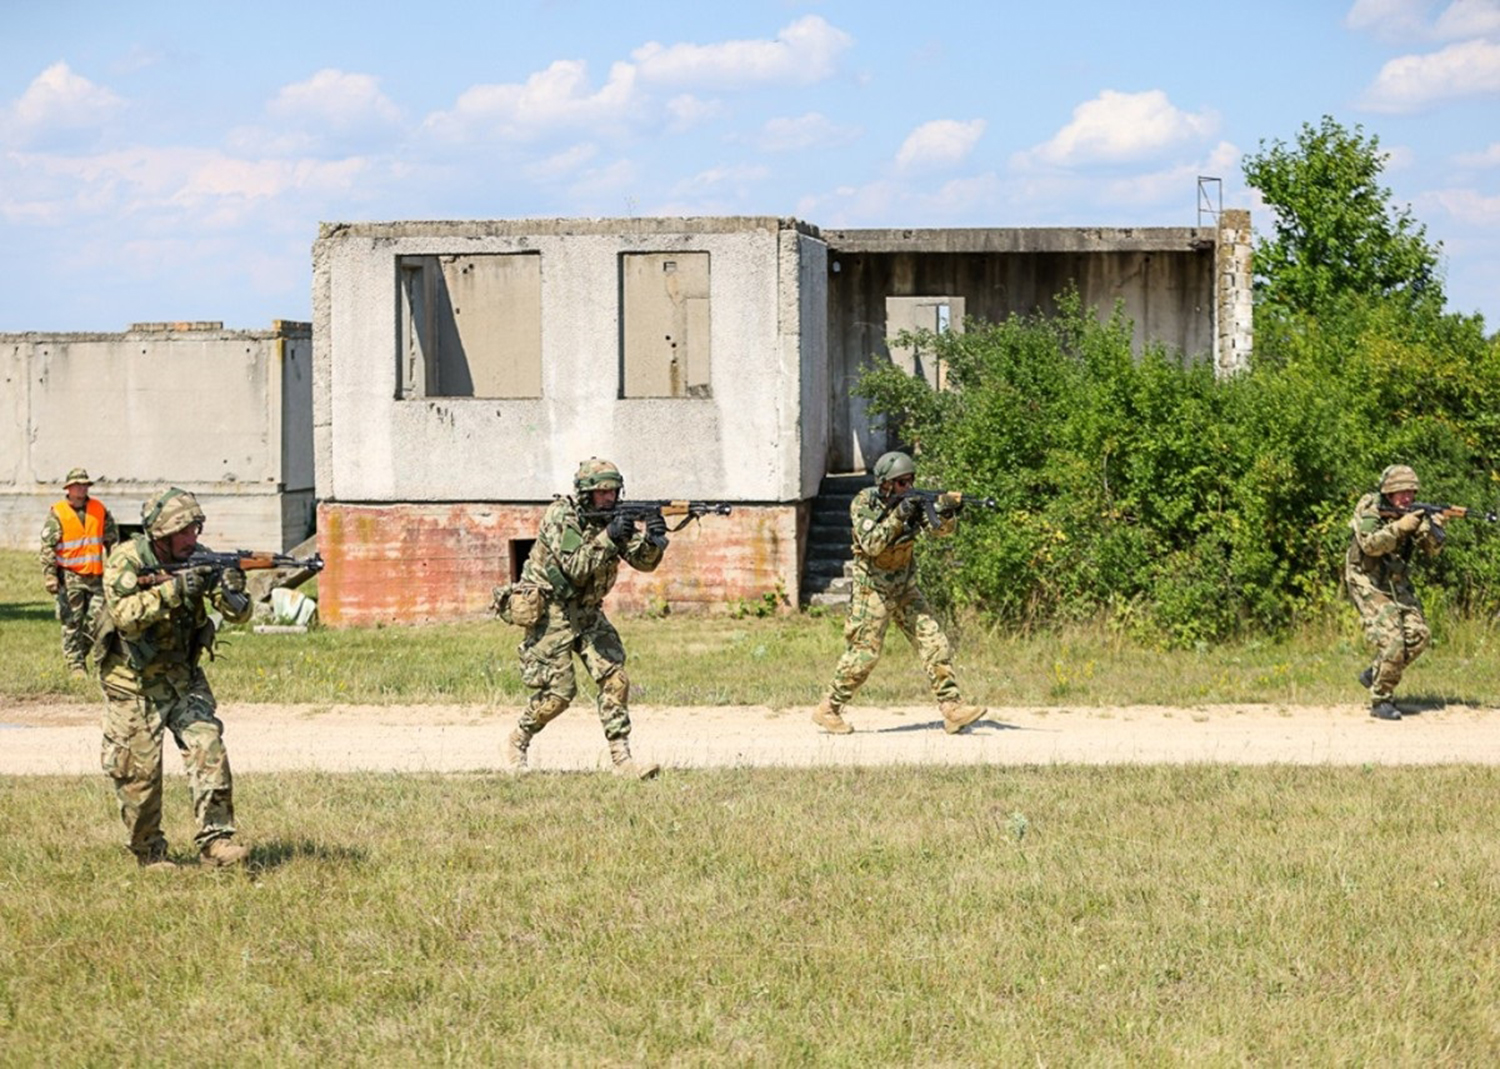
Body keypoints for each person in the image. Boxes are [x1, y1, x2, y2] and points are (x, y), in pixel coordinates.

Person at [95, 488, 254, 868]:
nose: (192, 538)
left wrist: (233, 591)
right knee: (140, 778)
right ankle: (148, 853)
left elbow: (238, 615)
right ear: (161, 535)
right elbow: (125, 616)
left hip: (183, 677)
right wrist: (174, 590)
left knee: (209, 748)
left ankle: (217, 843)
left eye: (195, 528)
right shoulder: (126, 561)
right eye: (183, 532)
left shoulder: (198, 558)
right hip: (133, 684)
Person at [504, 458, 666, 779]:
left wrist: (654, 540)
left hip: (588, 610)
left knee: (614, 678)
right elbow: (575, 567)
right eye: (601, 492)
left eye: (613, 491)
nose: (608, 498)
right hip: (551, 612)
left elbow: (643, 563)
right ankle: (517, 741)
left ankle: (623, 760)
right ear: (585, 494)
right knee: (559, 695)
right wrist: (609, 536)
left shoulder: (614, 519)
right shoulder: (562, 516)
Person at [812, 451, 986, 735]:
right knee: (864, 655)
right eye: (901, 482)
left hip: (905, 587)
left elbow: (938, 530)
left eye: (910, 481)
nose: (908, 487)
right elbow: (871, 544)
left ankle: (952, 708)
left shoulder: (913, 502)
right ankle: (829, 708)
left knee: (934, 642)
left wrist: (947, 513)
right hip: (873, 592)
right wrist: (899, 514)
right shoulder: (863, 502)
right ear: (886, 484)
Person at [1346, 464, 1445, 721]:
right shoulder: (1369, 506)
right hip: (1366, 581)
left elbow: (1431, 551)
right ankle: (1381, 699)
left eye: (1411, 492)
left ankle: (1375, 673)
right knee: (1393, 641)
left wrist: (1435, 530)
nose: (1407, 498)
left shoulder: (1414, 514)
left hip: (1395, 581)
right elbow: (1369, 544)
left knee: (1419, 635)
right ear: (1388, 493)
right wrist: (1401, 527)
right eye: (1401, 493)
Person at [39, 468, 118, 678]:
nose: (81, 488)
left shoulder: (99, 509)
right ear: (69, 488)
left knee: (97, 620)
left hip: (96, 576)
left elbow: (113, 540)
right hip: (69, 576)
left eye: (84, 484)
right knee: (72, 622)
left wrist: (117, 566)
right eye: (77, 485)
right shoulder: (58, 512)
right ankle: (76, 666)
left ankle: (80, 655)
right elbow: (48, 547)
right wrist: (50, 575)